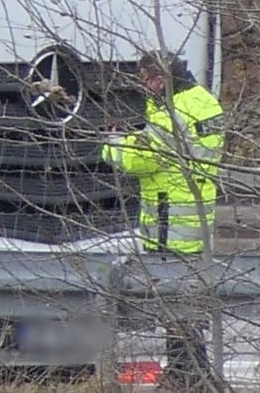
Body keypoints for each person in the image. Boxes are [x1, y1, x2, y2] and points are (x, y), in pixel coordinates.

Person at [102, 49, 226, 392]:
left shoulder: (171, 114)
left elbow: (140, 161)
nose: (145, 88)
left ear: (159, 78)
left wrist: (111, 143)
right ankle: (189, 374)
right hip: (199, 213)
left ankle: (188, 375)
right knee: (187, 301)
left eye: (147, 80)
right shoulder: (204, 101)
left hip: (169, 220)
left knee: (175, 303)